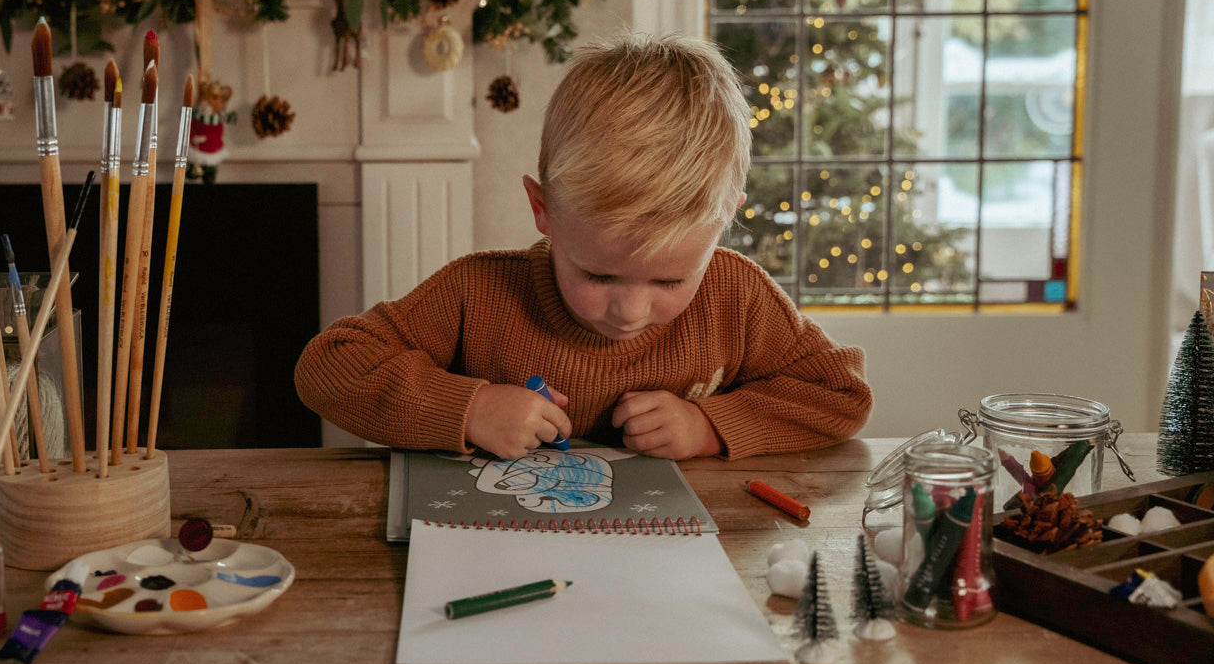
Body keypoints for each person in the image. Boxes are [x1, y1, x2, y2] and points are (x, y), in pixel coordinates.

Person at [295, 32, 871, 461]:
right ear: (542, 209)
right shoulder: (478, 291)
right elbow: (327, 366)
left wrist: (708, 425)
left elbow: (840, 394)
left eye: (669, 281)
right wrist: (467, 409)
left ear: (724, 220)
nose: (631, 311)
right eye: (598, 276)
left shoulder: (736, 295)